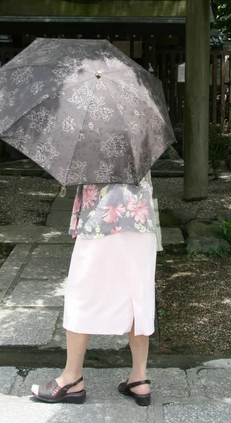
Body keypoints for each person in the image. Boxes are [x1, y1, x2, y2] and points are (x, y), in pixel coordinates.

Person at [31, 171, 157, 406]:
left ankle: (72, 378)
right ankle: (139, 378)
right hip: (141, 218)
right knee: (138, 296)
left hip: (103, 217)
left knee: (82, 292)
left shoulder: (93, 132)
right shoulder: (142, 134)